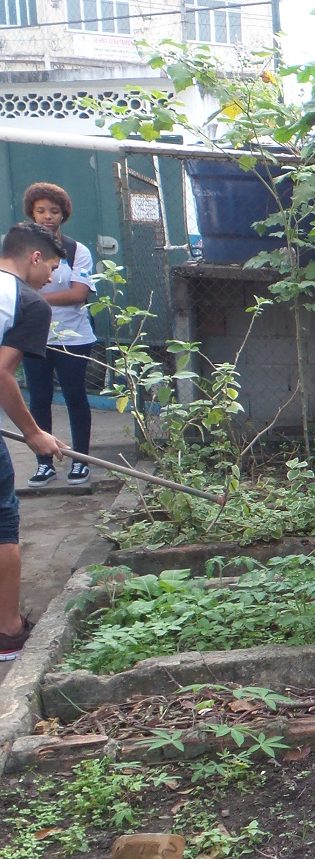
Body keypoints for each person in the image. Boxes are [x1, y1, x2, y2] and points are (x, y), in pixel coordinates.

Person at [0, 223, 68, 660]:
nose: (51, 280)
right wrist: (33, 433)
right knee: (3, 524)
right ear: (35, 257)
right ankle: (8, 633)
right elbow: (0, 371)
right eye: (53, 269)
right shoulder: (26, 301)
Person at [21, 183, 97, 487]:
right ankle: (44, 463)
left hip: (74, 338)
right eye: (41, 211)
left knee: (76, 397)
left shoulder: (77, 250)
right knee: (38, 400)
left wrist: (35, 300)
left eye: (54, 211)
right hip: (34, 336)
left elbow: (78, 294)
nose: (47, 216)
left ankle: (81, 461)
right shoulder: (22, 251)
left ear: (63, 214)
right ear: (32, 213)